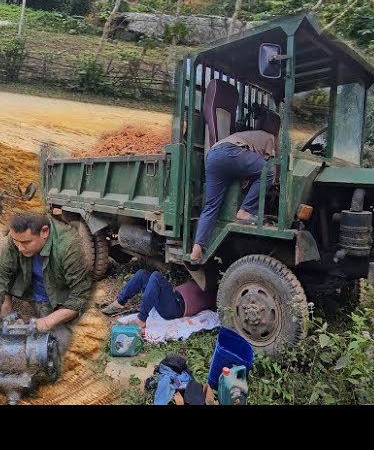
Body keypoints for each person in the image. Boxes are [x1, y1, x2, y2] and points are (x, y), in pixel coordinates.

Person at [0, 211, 93, 353]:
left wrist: (46, 322)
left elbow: (80, 296)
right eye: (16, 242)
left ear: (45, 232)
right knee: (1, 266)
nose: (20, 248)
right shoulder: (16, 239)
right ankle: (9, 314)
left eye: (26, 242)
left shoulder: (69, 246)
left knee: (58, 342)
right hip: (29, 285)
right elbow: (0, 273)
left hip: (55, 296)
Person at [191, 127, 277, 263]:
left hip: (213, 156)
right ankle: (246, 211)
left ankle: (197, 249)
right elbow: (268, 166)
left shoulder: (249, 136)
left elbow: (247, 165)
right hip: (230, 152)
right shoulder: (271, 138)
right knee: (269, 171)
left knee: (211, 206)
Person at [99, 269, 216, 333]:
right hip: (173, 297)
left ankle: (141, 319)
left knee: (156, 276)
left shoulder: (213, 294)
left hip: (176, 308)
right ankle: (119, 303)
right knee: (142, 274)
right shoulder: (207, 282)